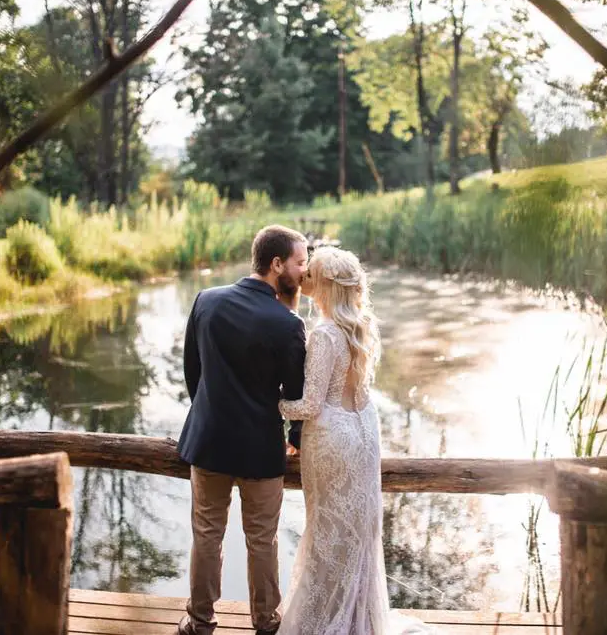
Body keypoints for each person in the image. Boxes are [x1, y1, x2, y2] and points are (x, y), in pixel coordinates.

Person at [277, 246, 432, 635]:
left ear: (325, 285)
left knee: (327, 530)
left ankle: (326, 620)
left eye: (310, 274)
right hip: (362, 431)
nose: (303, 278)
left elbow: (310, 405)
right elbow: (358, 395)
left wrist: (269, 401)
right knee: (356, 529)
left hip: (332, 437)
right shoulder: (359, 326)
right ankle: (358, 617)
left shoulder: (326, 334)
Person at [176, 225, 309, 635]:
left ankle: (199, 623)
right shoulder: (287, 323)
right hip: (260, 452)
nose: (304, 271)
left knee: (206, 536)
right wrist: (294, 440)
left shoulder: (206, 301)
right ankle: (266, 622)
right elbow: (297, 395)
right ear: (276, 264)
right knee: (262, 542)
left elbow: (193, 373)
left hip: (209, 442)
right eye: (300, 262)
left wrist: (211, 413)